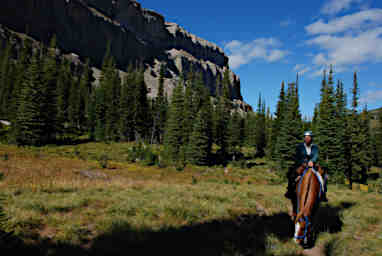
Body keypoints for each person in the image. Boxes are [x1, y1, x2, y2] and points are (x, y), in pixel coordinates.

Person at [284, 131, 328, 202]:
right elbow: (297, 156)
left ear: (311, 138)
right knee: (292, 173)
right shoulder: (299, 146)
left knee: (324, 175)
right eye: (305, 137)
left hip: (312, 164)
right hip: (302, 164)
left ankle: (323, 193)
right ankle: (290, 190)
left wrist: (312, 161)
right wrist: (303, 162)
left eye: (308, 137)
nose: (307, 138)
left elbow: (316, 155)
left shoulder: (315, 147)